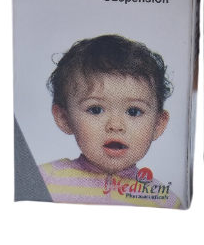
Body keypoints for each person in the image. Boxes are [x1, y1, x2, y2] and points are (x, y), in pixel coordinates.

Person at [39, 34, 182, 208]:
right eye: (95, 109)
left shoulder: (165, 201)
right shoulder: (42, 180)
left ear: (158, 125)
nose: (115, 125)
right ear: (65, 118)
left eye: (134, 111)